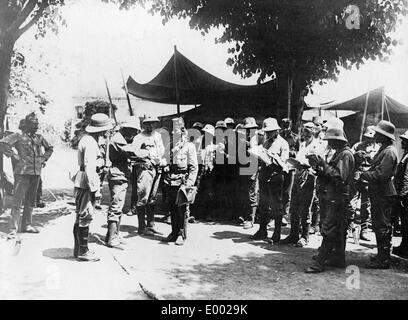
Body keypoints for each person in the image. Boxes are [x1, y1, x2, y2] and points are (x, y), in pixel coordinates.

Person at [305, 127, 355, 273]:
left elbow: (339, 177)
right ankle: (338, 258)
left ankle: (319, 263)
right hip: (335, 195)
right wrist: (319, 169)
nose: (329, 143)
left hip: (339, 197)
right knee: (338, 229)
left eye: (330, 140)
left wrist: (323, 164)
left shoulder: (345, 154)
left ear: (336, 140)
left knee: (329, 228)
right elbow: (331, 174)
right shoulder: (340, 153)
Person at [0, 113, 53, 237]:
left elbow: (50, 148)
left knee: (30, 200)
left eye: (37, 123)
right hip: (22, 173)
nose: (36, 125)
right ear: (27, 125)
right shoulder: (18, 136)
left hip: (35, 173)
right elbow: (2, 143)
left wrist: (43, 159)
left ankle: (27, 225)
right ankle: (13, 229)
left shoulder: (39, 138)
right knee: (17, 201)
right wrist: (13, 155)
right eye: (34, 123)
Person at [71, 113, 113, 261]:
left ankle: (78, 250)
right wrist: (95, 189)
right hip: (87, 183)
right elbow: (89, 167)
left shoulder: (89, 140)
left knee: (81, 216)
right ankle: (83, 251)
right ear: (101, 130)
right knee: (85, 215)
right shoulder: (90, 142)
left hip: (83, 181)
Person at [360, 120, 398, 269]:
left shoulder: (389, 151)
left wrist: (364, 174)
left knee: (382, 225)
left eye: (377, 133)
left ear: (384, 135)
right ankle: (381, 256)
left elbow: (381, 174)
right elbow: (378, 166)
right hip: (379, 192)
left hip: (384, 192)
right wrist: (368, 160)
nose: (374, 135)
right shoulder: (385, 149)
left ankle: (383, 260)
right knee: (378, 224)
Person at [280, 122, 324, 247]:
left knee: (305, 208)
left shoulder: (318, 145)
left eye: (308, 130)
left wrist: (308, 165)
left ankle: (305, 236)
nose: (305, 132)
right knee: (294, 206)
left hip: (309, 178)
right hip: (298, 176)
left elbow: (318, 164)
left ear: (314, 131)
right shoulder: (303, 144)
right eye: (304, 130)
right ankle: (293, 235)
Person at [251, 118, 289, 243]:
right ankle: (262, 230)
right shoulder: (266, 142)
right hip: (264, 177)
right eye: (266, 131)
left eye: (270, 131)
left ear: (276, 131)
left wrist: (273, 158)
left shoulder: (283, 144)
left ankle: (276, 233)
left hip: (275, 178)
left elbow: (284, 163)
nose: (267, 134)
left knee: (276, 206)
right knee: (263, 205)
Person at [105, 117, 140, 248]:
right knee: (116, 206)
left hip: (121, 175)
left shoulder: (121, 138)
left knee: (119, 207)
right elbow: (131, 152)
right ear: (126, 129)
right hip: (117, 175)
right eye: (133, 131)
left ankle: (113, 235)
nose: (134, 134)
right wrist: (146, 152)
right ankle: (112, 237)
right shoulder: (118, 139)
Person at [162, 117, 198, 245]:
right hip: (170, 181)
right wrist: (165, 165)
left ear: (183, 131)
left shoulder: (189, 146)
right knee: (172, 208)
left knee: (181, 210)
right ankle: (173, 232)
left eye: (177, 131)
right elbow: (165, 160)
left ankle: (181, 234)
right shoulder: (170, 145)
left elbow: (194, 167)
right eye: (173, 131)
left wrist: (189, 184)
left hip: (182, 182)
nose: (174, 133)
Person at [131, 115, 166, 236]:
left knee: (152, 197)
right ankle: (141, 226)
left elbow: (161, 151)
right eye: (148, 123)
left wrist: (160, 160)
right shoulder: (139, 137)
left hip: (157, 168)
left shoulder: (158, 136)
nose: (151, 126)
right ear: (144, 124)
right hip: (145, 168)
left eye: (153, 123)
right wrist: (147, 156)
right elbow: (134, 153)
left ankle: (151, 224)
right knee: (143, 196)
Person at [351, 126, 379, 241]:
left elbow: (379, 163)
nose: (368, 140)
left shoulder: (378, 148)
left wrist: (370, 157)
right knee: (351, 203)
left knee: (366, 205)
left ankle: (364, 229)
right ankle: (349, 226)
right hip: (357, 177)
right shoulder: (357, 145)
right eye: (367, 137)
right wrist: (356, 155)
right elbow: (350, 158)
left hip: (369, 179)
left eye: (371, 138)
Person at [238, 117, 260, 229]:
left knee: (252, 192)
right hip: (246, 166)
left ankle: (251, 218)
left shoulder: (257, 138)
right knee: (246, 191)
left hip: (253, 166)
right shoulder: (247, 138)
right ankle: (247, 215)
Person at [280, 118, 299, 227]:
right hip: (280, 165)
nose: (286, 127)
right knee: (278, 190)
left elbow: (299, 151)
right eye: (284, 125)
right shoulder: (279, 137)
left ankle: (284, 215)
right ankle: (276, 214)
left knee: (287, 192)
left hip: (290, 166)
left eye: (288, 125)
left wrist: (290, 153)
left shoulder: (295, 138)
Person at [392, 129, 408, 258]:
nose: (402, 143)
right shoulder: (405, 155)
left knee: (406, 222)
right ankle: (404, 246)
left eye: (405, 141)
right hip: (402, 194)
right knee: (404, 222)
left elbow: (406, 178)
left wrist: (402, 195)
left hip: (405, 196)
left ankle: (405, 249)